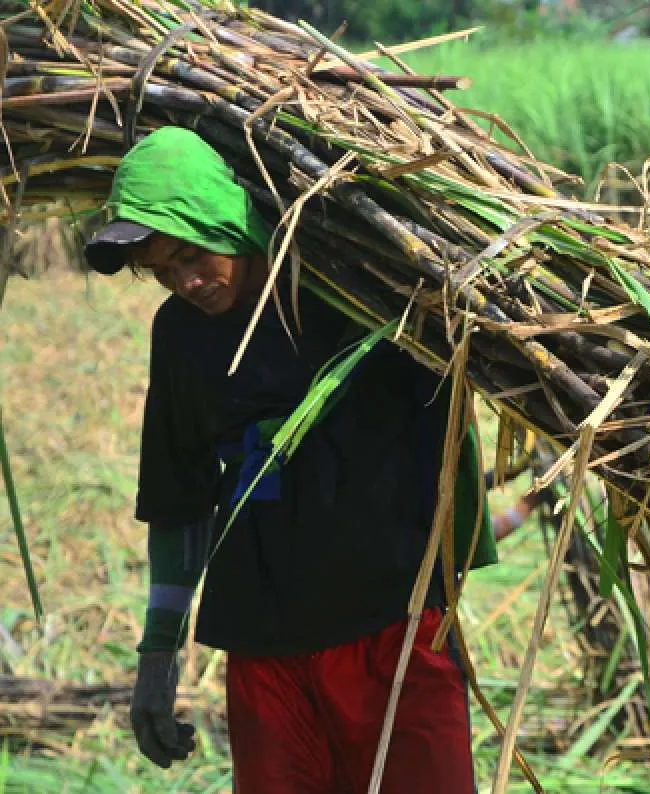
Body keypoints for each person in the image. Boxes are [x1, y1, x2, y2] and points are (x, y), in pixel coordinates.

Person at [84, 127, 496, 793]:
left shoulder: (354, 293)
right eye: (162, 272)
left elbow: (454, 393)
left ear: (227, 219)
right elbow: (179, 497)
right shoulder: (181, 335)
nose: (186, 282)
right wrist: (158, 653)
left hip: (391, 630)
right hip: (265, 644)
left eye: (191, 255)